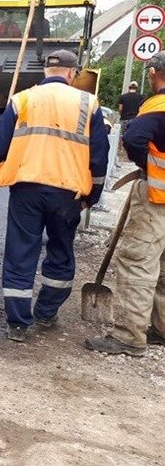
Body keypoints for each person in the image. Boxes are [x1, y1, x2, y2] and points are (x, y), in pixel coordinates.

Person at [0, 49, 109, 343]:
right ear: (72, 72)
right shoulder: (88, 103)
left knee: (20, 252)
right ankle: (46, 311)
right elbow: (99, 159)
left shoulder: (23, 99)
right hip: (67, 191)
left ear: (46, 72)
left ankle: (17, 323)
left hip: (26, 188)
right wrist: (94, 195)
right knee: (61, 251)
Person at [86, 51, 165, 357]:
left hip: (157, 198)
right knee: (162, 266)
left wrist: (149, 166)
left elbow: (134, 139)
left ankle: (130, 336)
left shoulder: (157, 106)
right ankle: (160, 328)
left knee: (138, 262)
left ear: (154, 74)